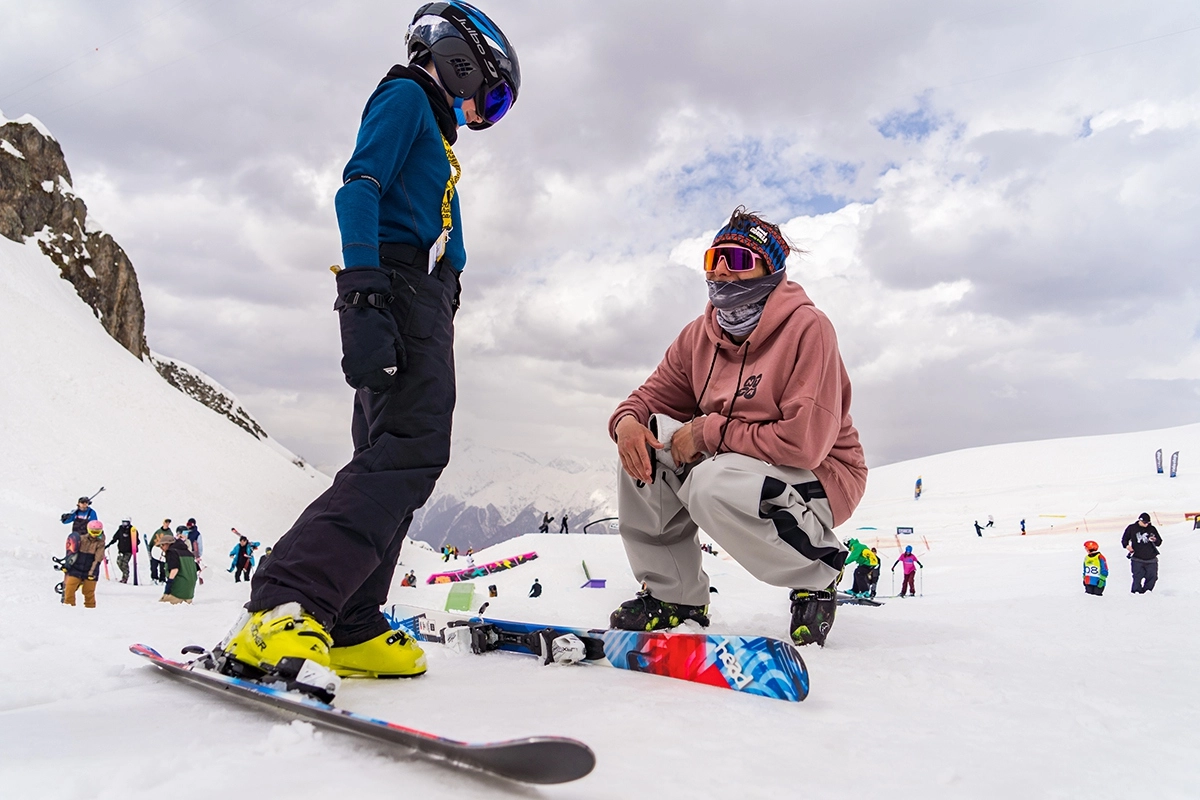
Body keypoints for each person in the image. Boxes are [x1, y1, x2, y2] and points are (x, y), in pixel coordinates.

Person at [220, 1, 521, 686]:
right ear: (460, 59)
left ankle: (351, 620)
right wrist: (363, 296)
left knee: (393, 455)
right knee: (412, 452)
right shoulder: (407, 96)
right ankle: (285, 603)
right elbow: (358, 190)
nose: (484, 111)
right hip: (396, 290)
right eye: (490, 94)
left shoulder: (428, 121)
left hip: (421, 298)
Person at [607, 207, 867, 647]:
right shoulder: (699, 335)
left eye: (741, 260)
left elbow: (804, 445)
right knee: (648, 447)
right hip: (737, 466)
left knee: (710, 481)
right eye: (715, 259)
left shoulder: (809, 329)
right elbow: (649, 397)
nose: (724, 268)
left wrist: (709, 432)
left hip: (822, 477)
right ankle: (675, 597)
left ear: (771, 269)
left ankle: (818, 573)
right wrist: (627, 423)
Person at [63, 519, 106, 607]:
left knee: (88, 591)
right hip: (76, 568)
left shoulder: (100, 544)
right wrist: (67, 565)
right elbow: (72, 553)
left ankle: (90, 610)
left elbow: (98, 559)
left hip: (90, 570)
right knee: (69, 589)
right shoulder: (81, 539)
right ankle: (68, 609)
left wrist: (92, 573)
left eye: (97, 532)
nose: (94, 535)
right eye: (93, 532)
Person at [1121, 512, 1162, 593]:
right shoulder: (1132, 528)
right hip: (1137, 558)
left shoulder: (1152, 529)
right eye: (1144, 522)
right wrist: (1127, 547)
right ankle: (1136, 593)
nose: (1146, 524)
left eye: (1148, 523)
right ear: (1139, 520)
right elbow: (1124, 540)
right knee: (1137, 577)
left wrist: (1154, 540)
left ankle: (1147, 592)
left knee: (1153, 577)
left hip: (1151, 558)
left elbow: (1159, 542)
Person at [162, 527, 198, 604]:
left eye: (162, 545)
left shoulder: (172, 552)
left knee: (160, 605)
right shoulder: (189, 553)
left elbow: (174, 569)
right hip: (190, 595)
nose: (161, 548)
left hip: (177, 594)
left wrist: (168, 585)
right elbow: (196, 568)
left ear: (168, 544)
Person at [106, 518, 137, 584]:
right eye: (123, 523)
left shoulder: (132, 530)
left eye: (126, 523)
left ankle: (125, 577)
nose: (124, 524)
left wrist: (135, 547)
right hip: (121, 550)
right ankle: (125, 573)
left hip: (129, 551)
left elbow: (137, 540)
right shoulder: (120, 529)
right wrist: (108, 545)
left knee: (124, 563)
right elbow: (115, 538)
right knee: (119, 562)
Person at [185, 518, 205, 585]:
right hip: (185, 552)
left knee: (193, 566)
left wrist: (198, 554)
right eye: (187, 524)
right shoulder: (185, 532)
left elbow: (200, 544)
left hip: (193, 553)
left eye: (190, 524)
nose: (188, 526)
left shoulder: (197, 534)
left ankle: (196, 579)